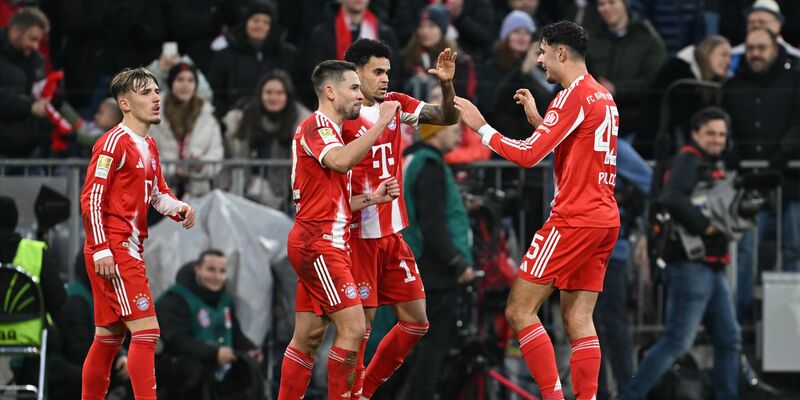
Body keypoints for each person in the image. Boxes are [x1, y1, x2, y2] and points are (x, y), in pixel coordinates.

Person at [455, 21, 621, 399]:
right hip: (604, 219)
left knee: (519, 310)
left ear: (561, 53)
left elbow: (530, 156)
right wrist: (538, 121)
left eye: (543, 52)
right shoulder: (602, 96)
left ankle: (551, 395)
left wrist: (482, 128)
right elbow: (575, 145)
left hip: (574, 219)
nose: (540, 60)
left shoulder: (570, 96)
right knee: (578, 318)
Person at [340, 38, 462, 399]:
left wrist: (446, 84)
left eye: (387, 72)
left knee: (417, 322)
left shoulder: (396, 104)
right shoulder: (340, 117)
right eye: (377, 72)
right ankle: (348, 393)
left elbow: (446, 117)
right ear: (355, 72)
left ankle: (364, 390)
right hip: (358, 236)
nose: (384, 79)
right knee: (358, 329)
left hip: (393, 234)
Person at [277, 60, 402, 400]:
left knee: (308, 337)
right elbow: (341, 161)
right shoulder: (316, 126)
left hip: (320, 241)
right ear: (330, 92)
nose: (360, 95)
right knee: (354, 326)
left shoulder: (329, 132)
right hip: (319, 244)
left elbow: (331, 198)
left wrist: (371, 198)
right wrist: (383, 122)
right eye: (353, 88)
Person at [79, 67, 197, 400]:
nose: (157, 98)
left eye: (157, 91)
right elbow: (91, 198)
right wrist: (102, 247)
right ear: (125, 103)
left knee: (108, 338)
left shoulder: (149, 145)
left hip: (128, 246)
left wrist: (179, 208)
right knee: (147, 333)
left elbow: (158, 193)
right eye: (146, 93)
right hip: (114, 249)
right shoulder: (112, 142)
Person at [619, 107, 742, 400]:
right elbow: (672, 197)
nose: (716, 140)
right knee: (677, 342)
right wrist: (708, 227)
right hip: (691, 266)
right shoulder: (689, 159)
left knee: (729, 340)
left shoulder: (698, 161)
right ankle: (629, 396)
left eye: (721, 135)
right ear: (695, 134)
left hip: (709, 267)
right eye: (710, 133)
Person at [724, 27, 800, 321]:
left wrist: (780, 158)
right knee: (746, 251)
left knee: (794, 248)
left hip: (791, 182)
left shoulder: (794, 80)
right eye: (751, 48)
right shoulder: (733, 85)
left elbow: (798, 123)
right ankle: (739, 315)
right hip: (750, 185)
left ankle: (790, 317)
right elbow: (728, 128)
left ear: (775, 48)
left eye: (762, 48)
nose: (755, 54)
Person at [401, 122, 475, 399]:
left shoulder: (414, 159)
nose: (459, 133)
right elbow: (432, 226)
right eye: (453, 127)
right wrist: (457, 262)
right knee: (432, 346)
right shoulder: (430, 167)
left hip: (419, 268)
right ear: (435, 131)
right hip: (434, 272)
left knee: (414, 343)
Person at [156, 250, 264, 399]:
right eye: (211, 269)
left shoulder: (225, 299)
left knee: (249, 370)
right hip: (181, 372)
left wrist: (250, 349)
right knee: (193, 371)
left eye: (222, 271)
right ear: (198, 269)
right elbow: (176, 340)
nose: (216, 277)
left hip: (219, 368)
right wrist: (213, 353)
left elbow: (234, 332)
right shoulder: (175, 299)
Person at [223, 70, 311, 209]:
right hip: (245, 189)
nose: (273, 97)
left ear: (287, 95)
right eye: (269, 92)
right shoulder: (245, 117)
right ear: (261, 94)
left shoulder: (300, 123)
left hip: (282, 195)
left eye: (279, 93)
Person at [586, 0, 667, 141]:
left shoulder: (648, 40)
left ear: (625, 4)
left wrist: (616, 89)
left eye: (612, 3)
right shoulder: (590, 39)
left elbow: (654, 81)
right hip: (595, 121)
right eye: (601, 4)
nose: (606, 8)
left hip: (634, 122)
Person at [646, 34, 731, 158]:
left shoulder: (716, 85)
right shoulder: (678, 72)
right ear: (707, 52)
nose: (728, 61)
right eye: (723, 55)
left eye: (730, 56)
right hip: (660, 145)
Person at [208, 1, 298, 117]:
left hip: (280, 119)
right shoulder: (226, 55)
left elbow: (297, 92)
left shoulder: (287, 55)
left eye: (265, 22)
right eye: (255, 20)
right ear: (246, 23)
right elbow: (215, 92)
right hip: (237, 117)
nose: (260, 26)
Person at [150, 62, 224, 198]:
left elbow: (216, 153)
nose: (185, 85)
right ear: (171, 83)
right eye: (180, 80)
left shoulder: (207, 116)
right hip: (160, 195)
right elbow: (144, 153)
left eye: (190, 80)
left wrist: (200, 167)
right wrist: (172, 169)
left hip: (198, 194)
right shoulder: (152, 115)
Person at [0, 7, 50, 159]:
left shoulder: (37, 61)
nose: (36, 46)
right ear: (15, 32)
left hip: (30, 150)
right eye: (33, 39)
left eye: (39, 41)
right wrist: (29, 107)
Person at [399, 4, 477, 102]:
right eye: (422, 26)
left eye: (431, 26)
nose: (425, 31)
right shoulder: (408, 56)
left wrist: (443, 88)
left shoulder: (460, 61)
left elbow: (466, 96)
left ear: (442, 30)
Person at [729, 0, 800, 73]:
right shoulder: (731, 57)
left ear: (778, 24)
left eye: (762, 22)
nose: (756, 26)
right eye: (752, 22)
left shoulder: (796, 58)